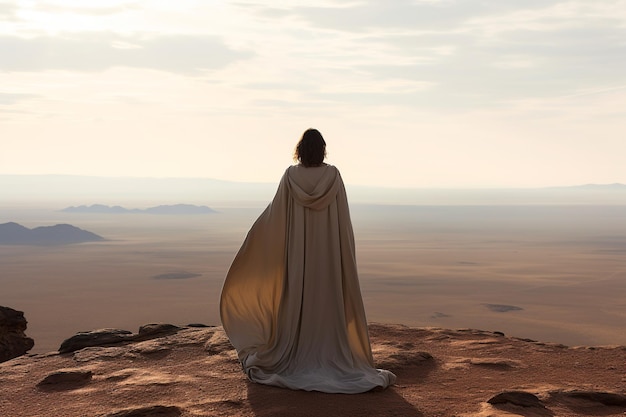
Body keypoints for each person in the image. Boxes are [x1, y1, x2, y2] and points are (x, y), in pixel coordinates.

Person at [220, 128, 396, 393]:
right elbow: (343, 221)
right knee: (328, 300)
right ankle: (330, 350)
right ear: (322, 149)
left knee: (298, 299)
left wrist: (256, 237)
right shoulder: (333, 176)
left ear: (300, 150)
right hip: (328, 258)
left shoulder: (291, 177)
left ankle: (298, 348)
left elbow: (275, 217)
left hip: (299, 258)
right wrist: (343, 256)